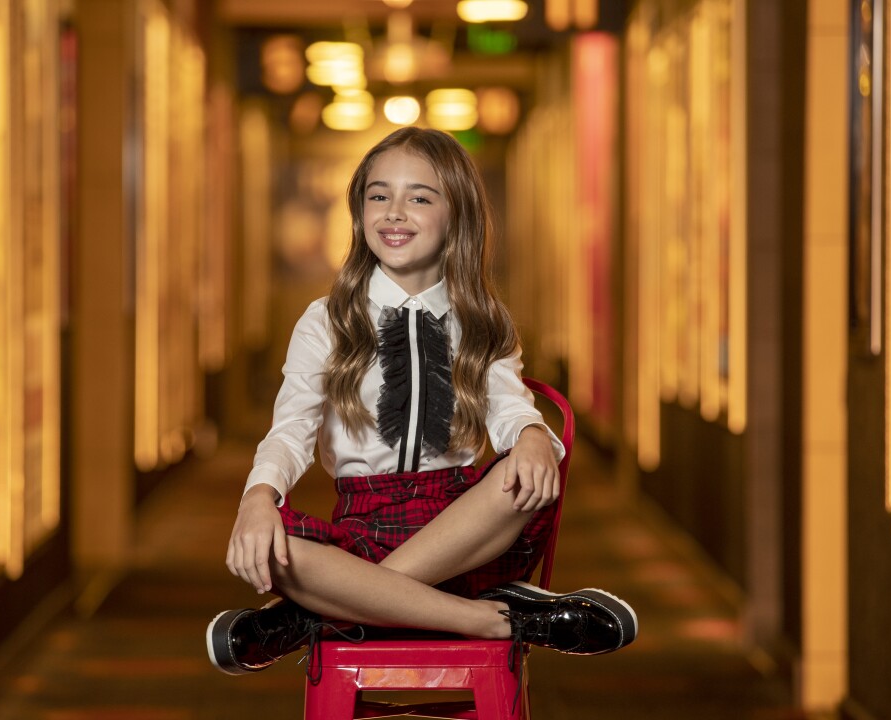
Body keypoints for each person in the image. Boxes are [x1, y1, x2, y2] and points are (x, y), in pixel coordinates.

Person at [206, 127, 637, 678]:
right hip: (361, 526)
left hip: (458, 530)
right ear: (359, 214)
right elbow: (289, 431)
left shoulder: (482, 321)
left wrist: (530, 436)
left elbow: (509, 408)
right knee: (275, 546)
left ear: (457, 214)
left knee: (526, 472)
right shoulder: (327, 320)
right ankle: (492, 619)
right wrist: (257, 498)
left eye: (420, 197)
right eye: (378, 195)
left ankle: (321, 614)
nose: (394, 212)